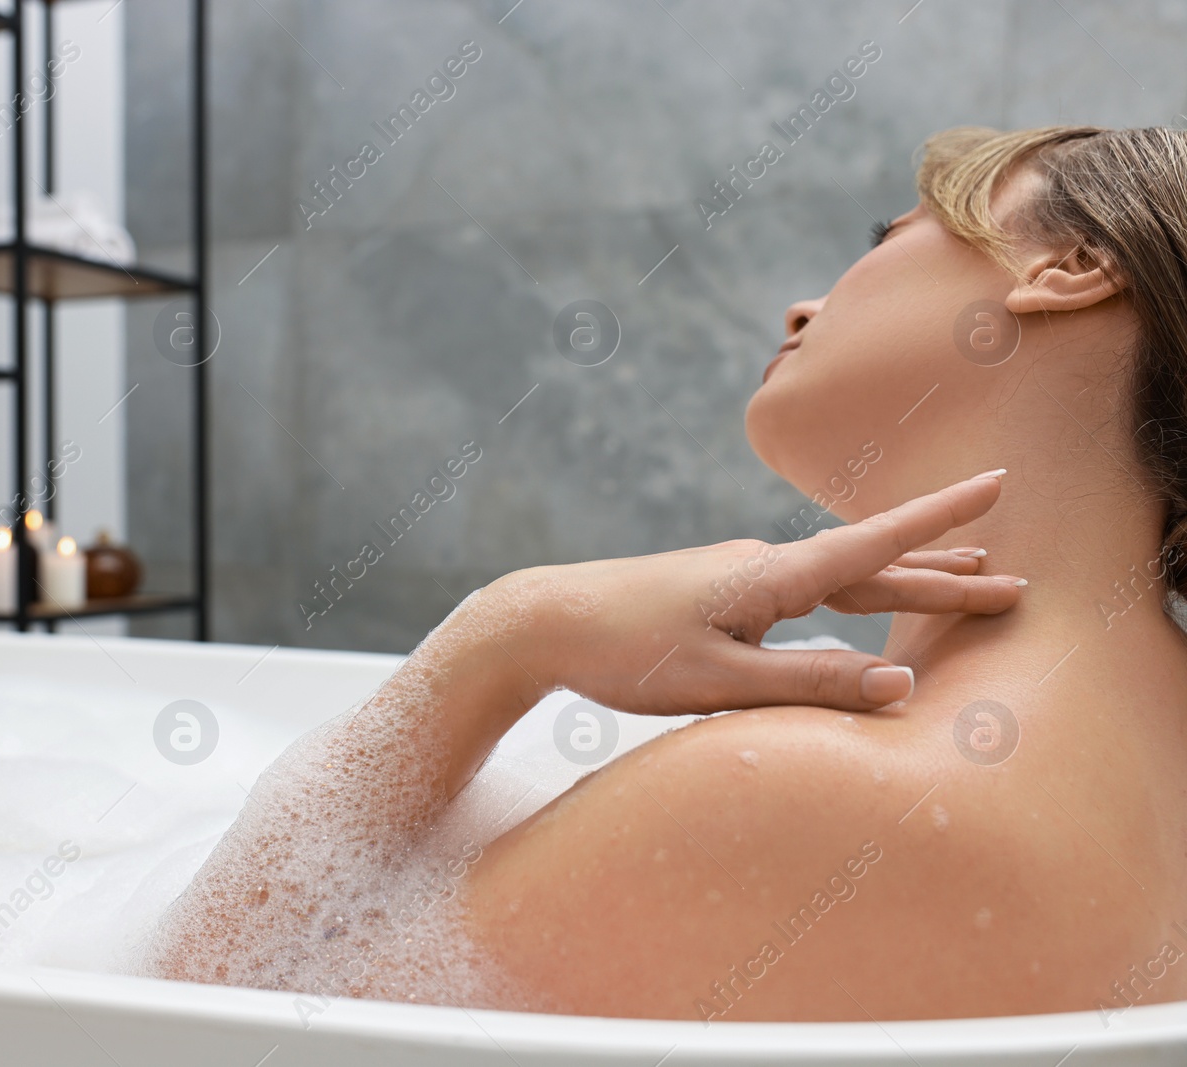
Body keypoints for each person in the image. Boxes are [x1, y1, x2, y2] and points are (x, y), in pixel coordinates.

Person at [144, 125, 1187, 1022]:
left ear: (1069, 267)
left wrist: (514, 631)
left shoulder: (818, 797)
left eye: (893, 234)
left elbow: (179, 1024)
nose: (800, 303)